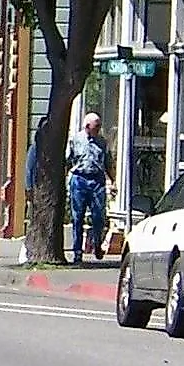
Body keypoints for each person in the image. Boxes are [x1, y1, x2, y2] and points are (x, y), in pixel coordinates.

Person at [66, 112, 112, 265]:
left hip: (97, 180)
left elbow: (108, 162)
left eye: (99, 126)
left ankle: (97, 244)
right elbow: (68, 160)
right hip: (80, 179)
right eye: (96, 127)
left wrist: (112, 179)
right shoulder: (75, 140)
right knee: (77, 217)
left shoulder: (102, 142)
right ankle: (77, 252)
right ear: (87, 127)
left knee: (98, 215)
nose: (98, 129)